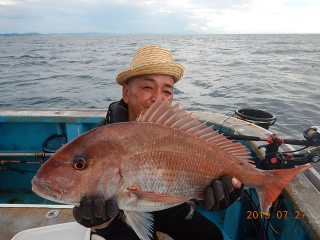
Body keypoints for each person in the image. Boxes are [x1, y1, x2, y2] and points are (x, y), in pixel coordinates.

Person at [73, 45, 244, 240]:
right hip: (118, 213)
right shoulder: (99, 141)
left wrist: (213, 196)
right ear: (126, 93)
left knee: (211, 235)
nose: (157, 98)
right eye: (147, 87)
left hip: (166, 204)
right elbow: (80, 181)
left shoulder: (180, 134)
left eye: (167, 92)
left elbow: (193, 176)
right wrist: (98, 220)